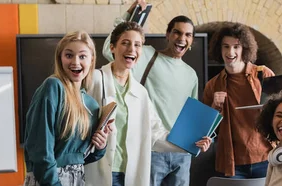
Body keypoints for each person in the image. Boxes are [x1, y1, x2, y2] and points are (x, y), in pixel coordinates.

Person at [86, 22, 206, 186]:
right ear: (112, 47)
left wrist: (192, 144)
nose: (131, 49)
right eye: (125, 43)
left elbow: (156, 134)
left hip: (130, 174)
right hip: (99, 170)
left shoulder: (140, 92)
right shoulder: (94, 80)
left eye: (137, 45)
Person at [23, 31, 113, 186]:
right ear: (60, 58)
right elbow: (40, 150)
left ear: (92, 60)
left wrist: (100, 146)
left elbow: (81, 158)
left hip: (78, 179)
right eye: (69, 55)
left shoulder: (91, 104)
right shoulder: (53, 87)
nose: (75, 62)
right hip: (48, 180)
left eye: (82, 56)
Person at [202, 23, 274, 178]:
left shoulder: (263, 74)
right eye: (226, 47)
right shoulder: (212, 85)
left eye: (236, 47)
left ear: (245, 49)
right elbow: (205, 130)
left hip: (267, 157)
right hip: (233, 164)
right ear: (219, 49)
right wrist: (214, 107)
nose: (230, 52)